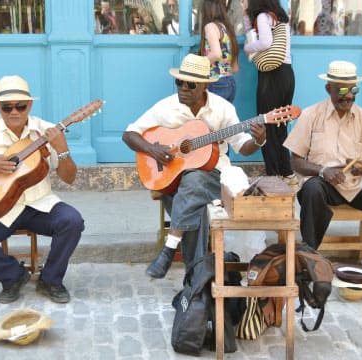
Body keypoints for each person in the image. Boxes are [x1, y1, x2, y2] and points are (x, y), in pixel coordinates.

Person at [122, 54, 266, 279]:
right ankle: (196, 279)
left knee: (196, 180)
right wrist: (153, 150)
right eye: (179, 82)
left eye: (190, 84)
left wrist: (257, 140)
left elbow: (241, 146)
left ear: (205, 86)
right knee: (195, 205)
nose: (183, 89)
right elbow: (129, 134)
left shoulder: (222, 109)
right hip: (173, 181)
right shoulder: (166, 107)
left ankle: (171, 250)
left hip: (213, 176)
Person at [0, 75, 84, 303]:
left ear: (29, 105)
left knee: (73, 221)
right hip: (1, 209)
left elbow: (70, 178)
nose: (14, 112)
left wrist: (63, 148)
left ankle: (50, 280)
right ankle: (13, 277)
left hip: (40, 204)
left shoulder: (46, 131)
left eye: (21, 105)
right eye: (6, 107)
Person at [283, 60, 362, 285]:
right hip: (324, 184)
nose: (348, 96)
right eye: (341, 90)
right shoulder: (311, 115)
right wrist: (323, 170)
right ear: (328, 89)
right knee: (311, 189)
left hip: (355, 185)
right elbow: (296, 162)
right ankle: (311, 257)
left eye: (353, 90)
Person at [242, 0, 296, 185]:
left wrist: (247, 48)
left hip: (271, 76)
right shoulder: (281, 19)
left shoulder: (263, 17)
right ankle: (286, 172)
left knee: (267, 124)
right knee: (281, 125)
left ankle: (274, 175)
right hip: (287, 74)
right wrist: (245, 14)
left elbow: (265, 42)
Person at [199, 0, 239, 103]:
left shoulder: (211, 26)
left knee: (211, 118)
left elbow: (216, 54)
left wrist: (198, 64)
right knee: (224, 118)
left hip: (216, 81)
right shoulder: (227, 28)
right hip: (230, 81)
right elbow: (235, 68)